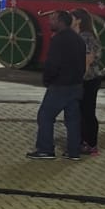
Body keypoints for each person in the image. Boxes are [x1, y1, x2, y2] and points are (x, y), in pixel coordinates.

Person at [28, 10, 84, 160]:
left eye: (52, 19)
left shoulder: (58, 40)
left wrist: (47, 79)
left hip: (60, 85)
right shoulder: (78, 39)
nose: (49, 22)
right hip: (76, 85)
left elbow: (52, 64)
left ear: (61, 22)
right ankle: (74, 151)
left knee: (45, 116)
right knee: (72, 120)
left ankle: (45, 149)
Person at [71, 8, 105, 157]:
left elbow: (88, 59)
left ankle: (90, 143)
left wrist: (78, 78)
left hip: (88, 79)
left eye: (71, 17)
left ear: (78, 20)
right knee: (85, 111)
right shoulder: (85, 36)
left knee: (87, 111)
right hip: (90, 78)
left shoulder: (85, 37)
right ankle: (86, 142)